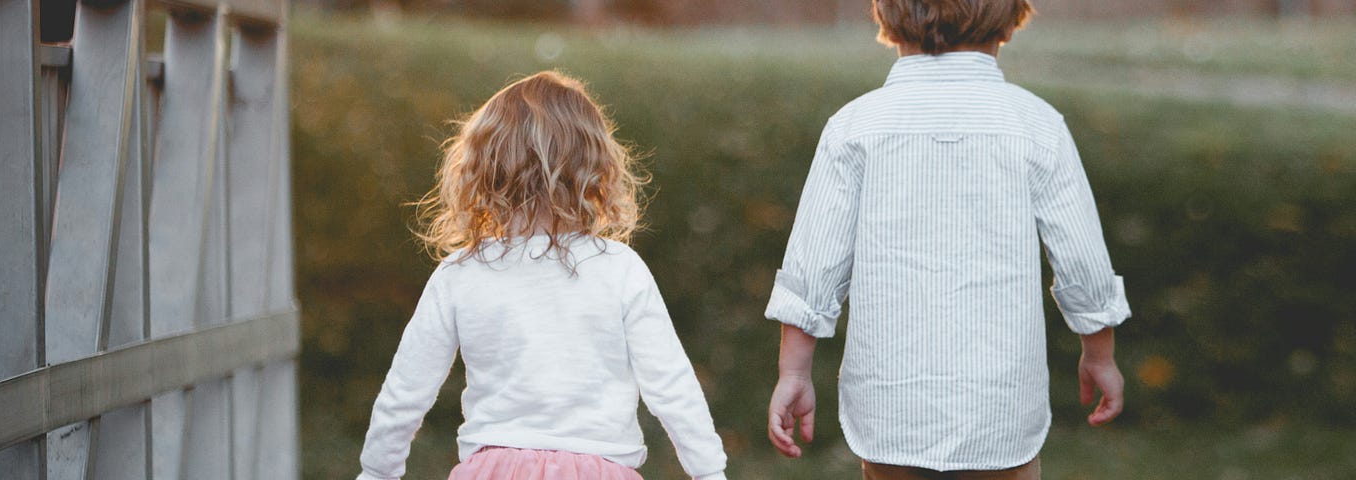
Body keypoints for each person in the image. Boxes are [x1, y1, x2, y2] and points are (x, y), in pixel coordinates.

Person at [763, 1, 1131, 478]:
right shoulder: (1036, 126)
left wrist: (793, 373)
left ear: (890, 19)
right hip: (1000, 416)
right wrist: (1099, 354)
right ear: (1009, 20)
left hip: (891, 414)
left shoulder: (856, 128)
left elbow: (812, 268)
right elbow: (1082, 260)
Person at [357, 71, 728, 480]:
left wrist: (376, 473)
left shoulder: (460, 274)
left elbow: (406, 391)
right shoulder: (620, 270)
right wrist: (710, 473)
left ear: (484, 166)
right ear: (595, 167)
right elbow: (672, 387)